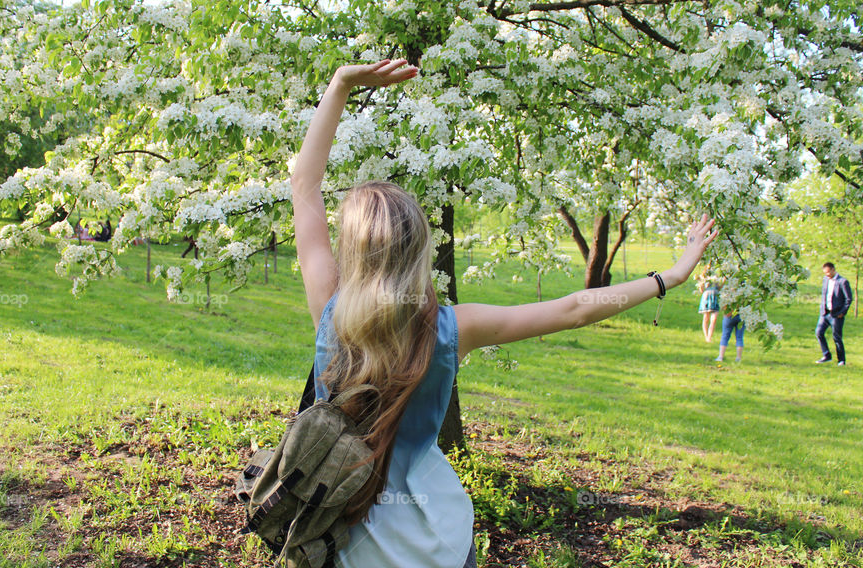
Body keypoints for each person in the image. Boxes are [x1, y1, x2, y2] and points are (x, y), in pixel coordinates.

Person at [290, 58, 719, 568]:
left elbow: (305, 184)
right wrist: (667, 277)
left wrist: (340, 85)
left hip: (348, 541)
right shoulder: (451, 329)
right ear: (420, 249)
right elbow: (577, 308)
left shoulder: (330, 309)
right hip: (438, 541)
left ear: (352, 249)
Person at [816, 261, 852, 366]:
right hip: (825, 313)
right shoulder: (825, 280)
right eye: (825, 273)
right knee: (819, 332)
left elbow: (848, 299)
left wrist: (843, 312)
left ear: (833, 269)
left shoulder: (843, 282)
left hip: (836, 314)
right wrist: (822, 308)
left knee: (836, 337)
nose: (827, 275)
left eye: (828, 272)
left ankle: (841, 360)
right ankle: (826, 355)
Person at [697, 275, 720, 343]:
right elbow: (701, 290)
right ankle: (706, 336)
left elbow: (719, 288)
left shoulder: (717, 276)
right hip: (707, 298)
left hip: (715, 297)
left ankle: (709, 337)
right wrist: (701, 283)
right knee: (706, 318)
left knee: (714, 319)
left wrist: (723, 281)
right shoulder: (705, 276)